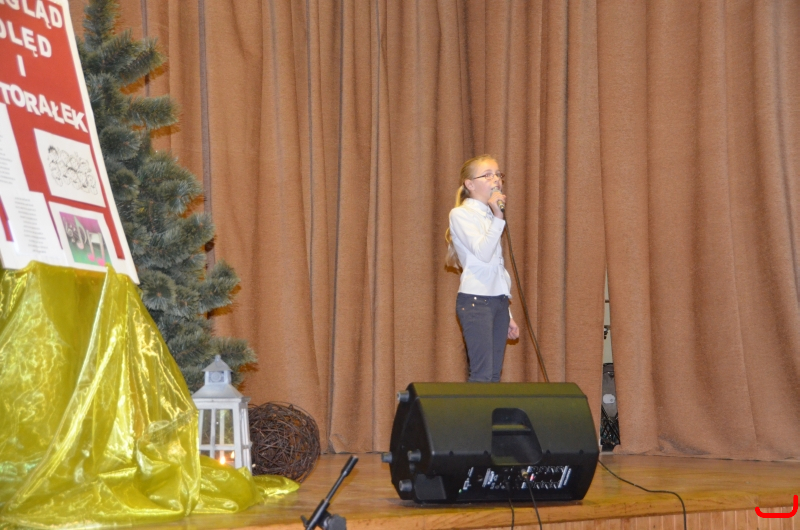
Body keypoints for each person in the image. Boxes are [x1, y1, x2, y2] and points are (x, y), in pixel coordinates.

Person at [446, 155, 520, 382]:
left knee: (494, 375)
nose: (495, 179)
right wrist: (498, 217)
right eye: (487, 175)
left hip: (498, 301)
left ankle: (489, 411)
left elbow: (497, 269)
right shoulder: (461, 214)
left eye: (498, 174)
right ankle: (474, 409)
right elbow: (483, 253)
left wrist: (507, 314)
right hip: (476, 301)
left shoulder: (491, 215)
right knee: (482, 375)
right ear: (469, 184)